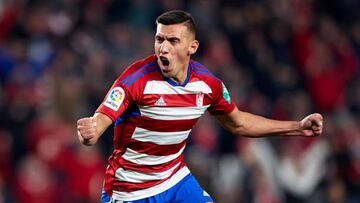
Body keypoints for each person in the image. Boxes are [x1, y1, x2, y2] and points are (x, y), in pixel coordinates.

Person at [76, 10, 323, 203]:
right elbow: (99, 122)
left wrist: (298, 127)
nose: (163, 47)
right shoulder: (135, 79)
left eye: (173, 40)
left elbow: (239, 122)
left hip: (175, 179)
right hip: (130, 189)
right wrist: (90, 131)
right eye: (159, 39)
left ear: (192, 47)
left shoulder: (207, 85)